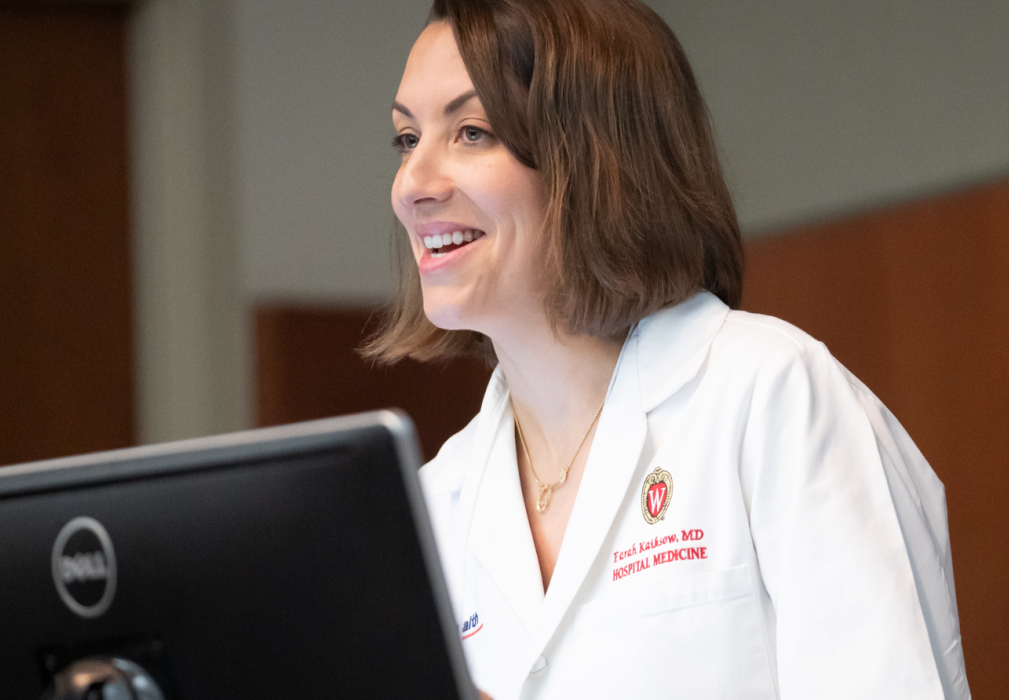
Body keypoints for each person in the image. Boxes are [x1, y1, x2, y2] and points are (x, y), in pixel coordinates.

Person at [370, 0, 968, 697]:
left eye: (472, 132)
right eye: (407, 139)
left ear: (594, 156)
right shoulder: (434, 504)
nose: (412, 186)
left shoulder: (770, 395)